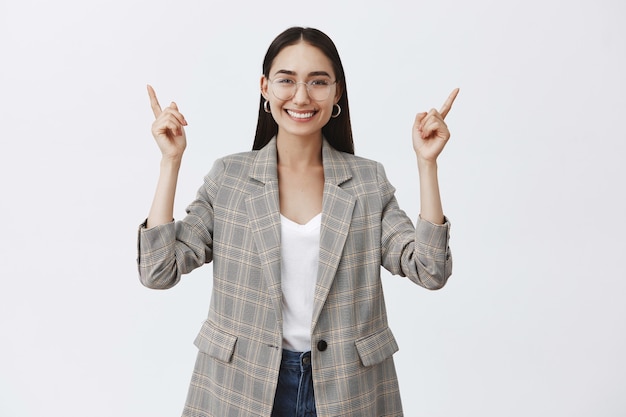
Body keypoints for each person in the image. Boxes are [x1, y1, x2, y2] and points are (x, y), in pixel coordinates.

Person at [138, 26, 458, 417]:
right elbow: (158, 271)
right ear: (264, 87)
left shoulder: (367, 182)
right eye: (286, 80)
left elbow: (430, 269)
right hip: (243, 386)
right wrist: (170, 163)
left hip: (346, 389)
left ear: (337, 91)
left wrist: (427, 165)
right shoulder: (230, 178)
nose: (302, 96)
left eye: (318, 82)